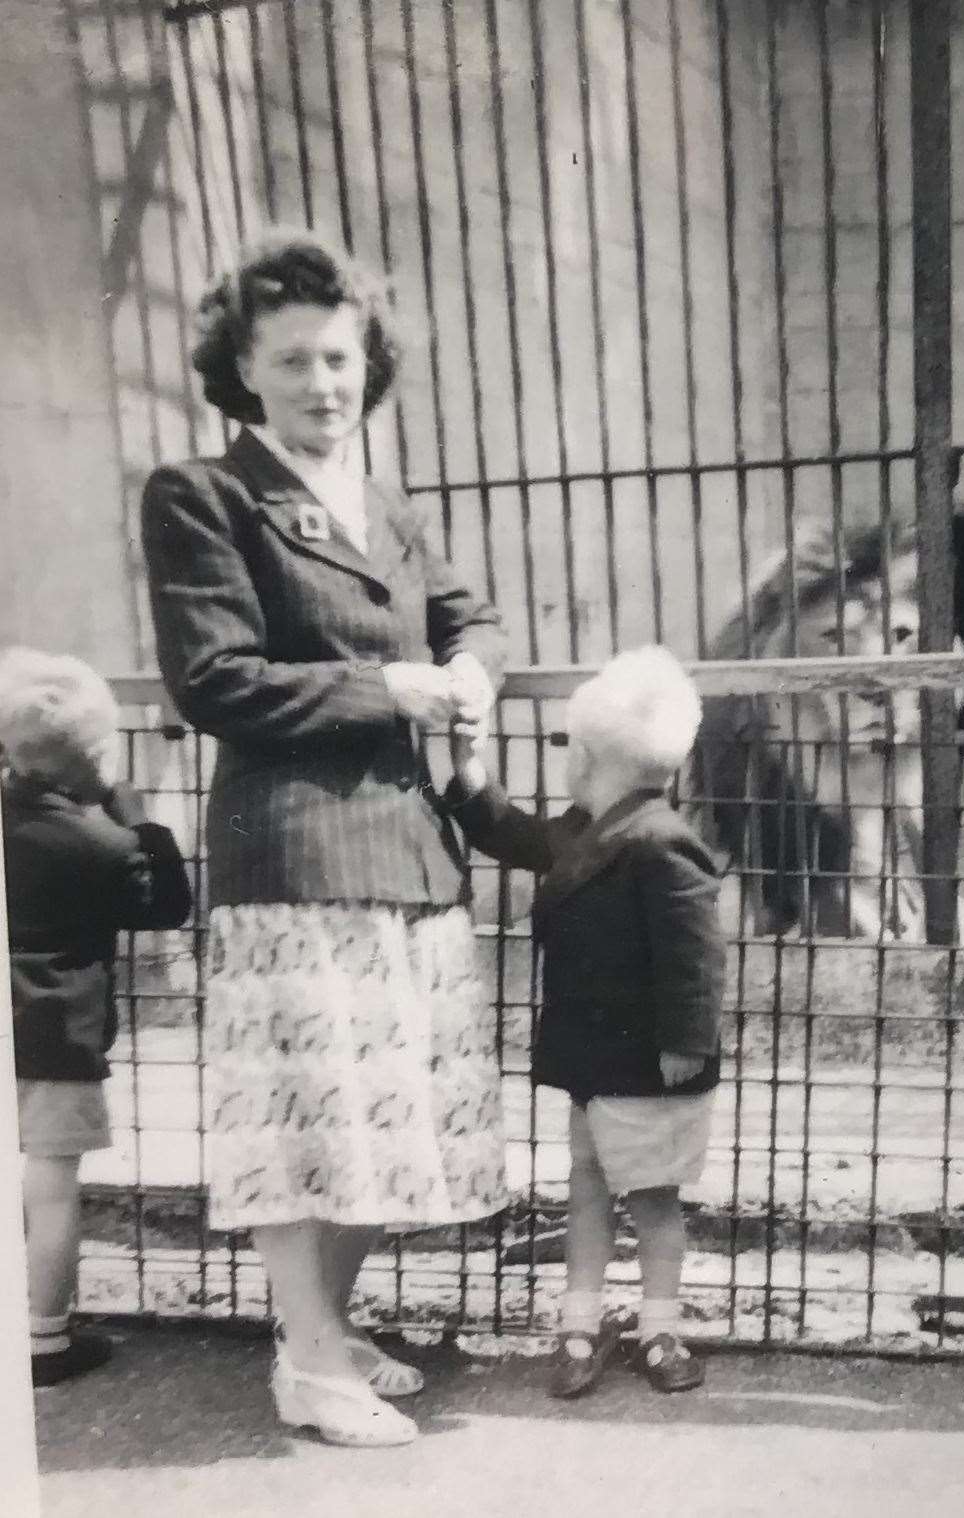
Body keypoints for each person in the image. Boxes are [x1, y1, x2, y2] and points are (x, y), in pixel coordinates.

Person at [139, 229, 505, 1447]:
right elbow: (216, 681)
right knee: (306, 1122)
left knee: (379, 1117)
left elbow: (467, 614)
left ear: (369, 363)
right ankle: (303, 1363)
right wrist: (395, 691)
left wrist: (472, 670)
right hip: (291, 852)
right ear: (242, 370)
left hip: (405, 854)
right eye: (291, 361)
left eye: (339, 358)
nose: (322, 384)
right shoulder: (203, 496)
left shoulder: (384, 501)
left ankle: (327, 1329)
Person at [447, 645, 724, 1398]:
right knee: (590, 1190)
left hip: (649, 1066)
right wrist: (470, 779)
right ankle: (579, 1321)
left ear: (589, 756)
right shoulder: (586, 830)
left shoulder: (663, 842)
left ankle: (659, 1325)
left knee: (655, 1199)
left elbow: (694, 955)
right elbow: (513, 835)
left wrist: (686, 1044)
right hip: (595, 1063)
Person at [1, 648, 193, 1386]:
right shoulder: (103, 847)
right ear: (95, 761)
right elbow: (167, 908)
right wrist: (142, 824)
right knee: (50, 1190)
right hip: (58, 1042)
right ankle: (44, 1338)